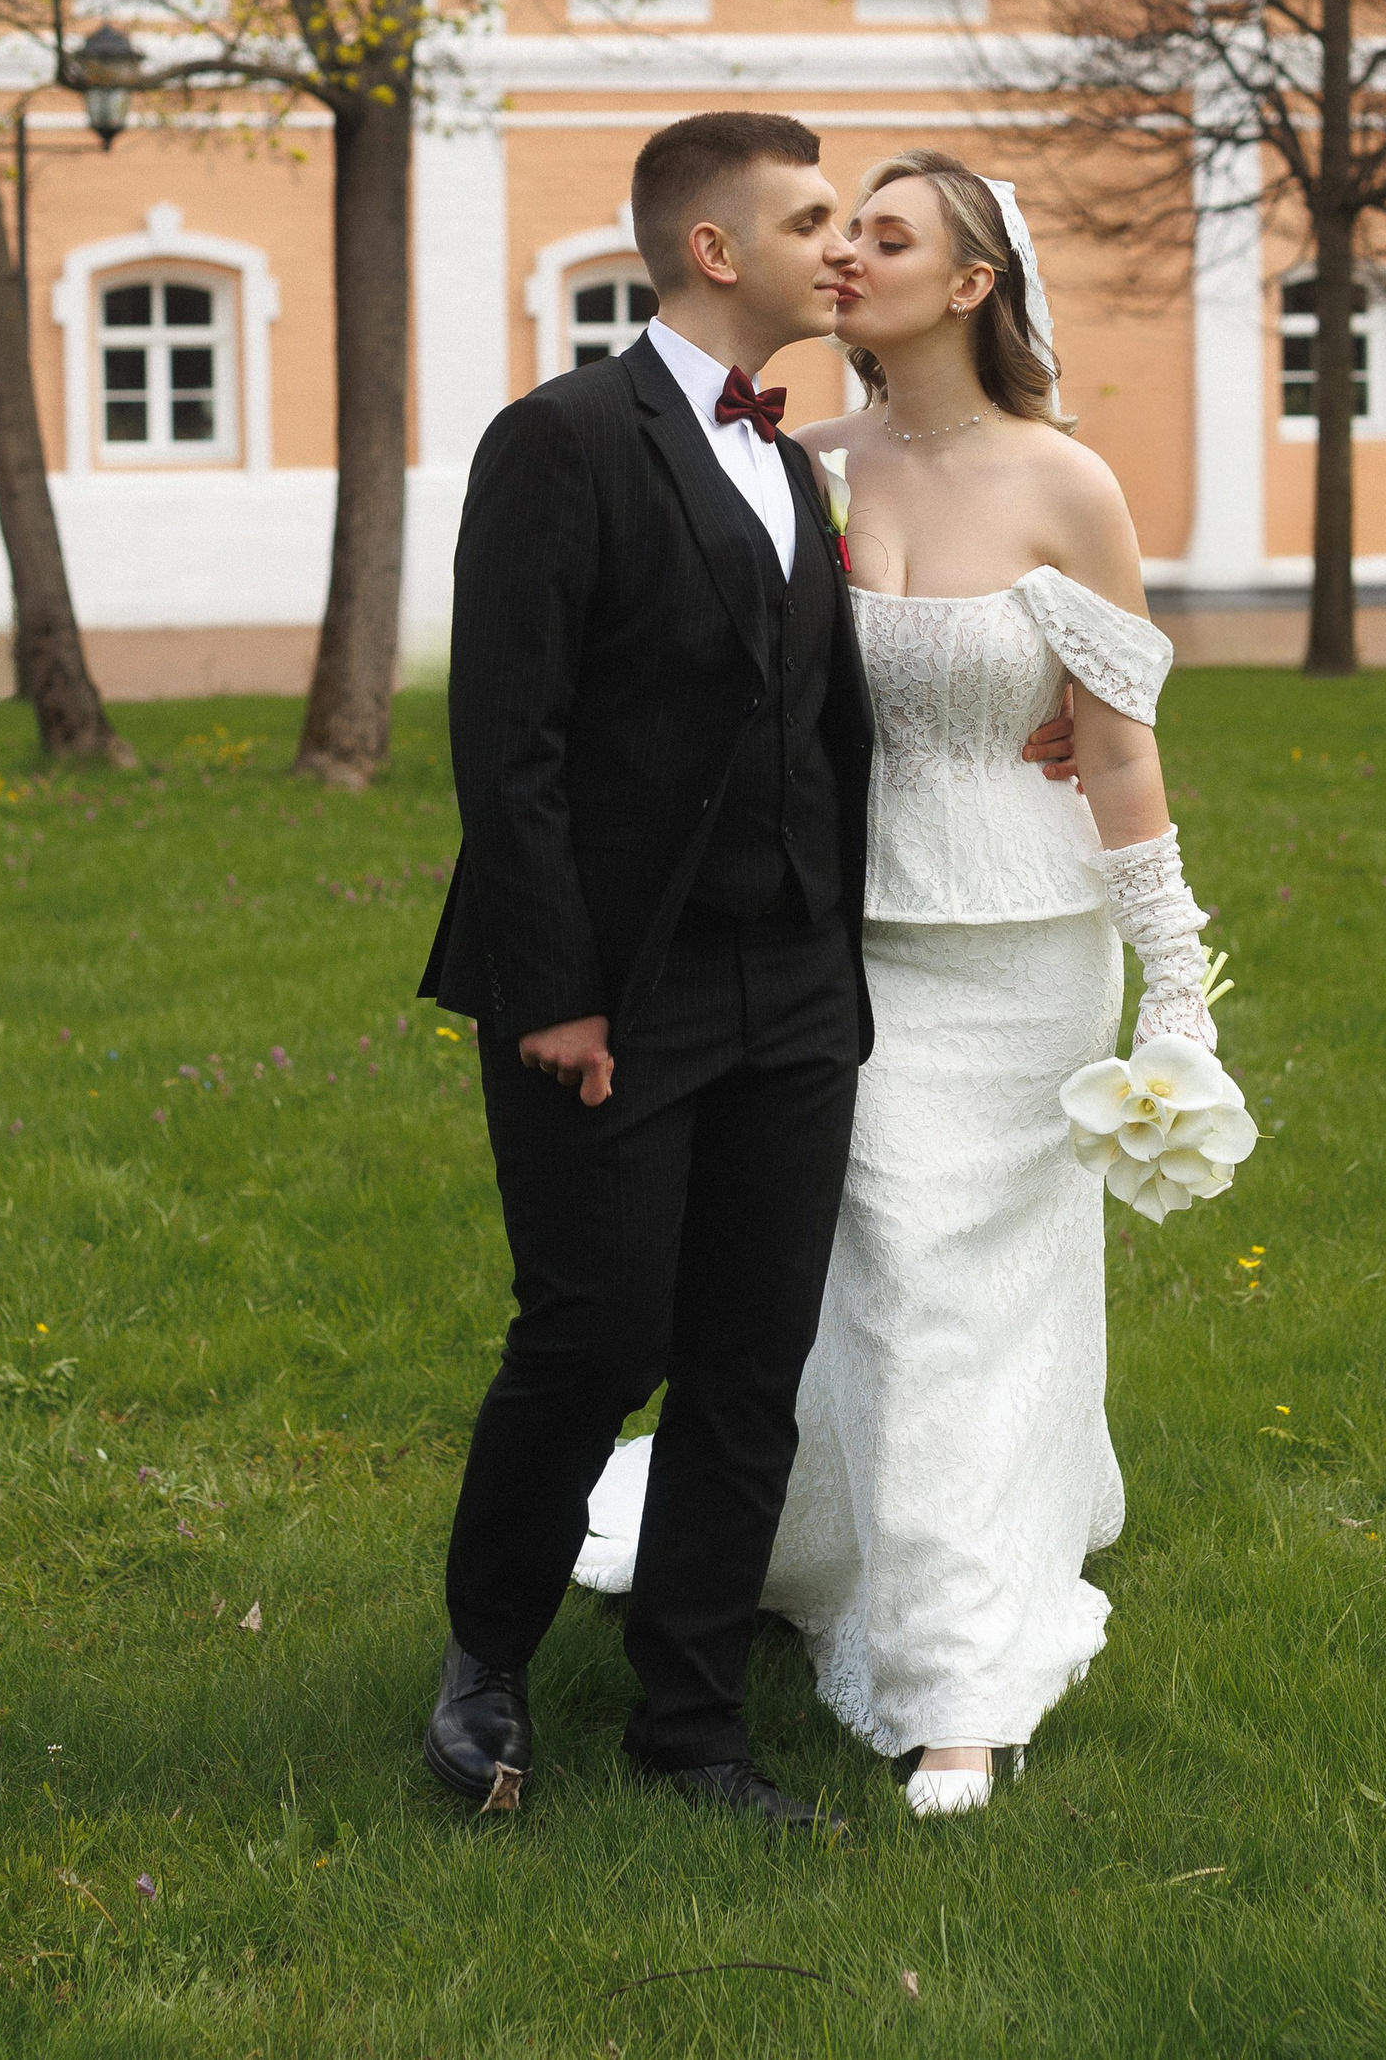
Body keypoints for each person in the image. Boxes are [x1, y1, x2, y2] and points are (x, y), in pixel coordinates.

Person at [581, 151, 1224, 1819]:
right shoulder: (801, 471)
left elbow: (1125, 753)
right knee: (877, 1295)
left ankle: (960, 1686)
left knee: (983, 1299)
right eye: (837, 229)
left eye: (888, 235)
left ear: (973, 284)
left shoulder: (1069, 484)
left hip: (1027, 954)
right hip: (842, 946)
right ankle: (884, 1578)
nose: (847, 255)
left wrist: (1179, 993)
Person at [415, 108, 877, 1835]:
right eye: (814, 216)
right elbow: (506, 739)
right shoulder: (559, 441)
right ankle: (486, 1658)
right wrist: (554, 990)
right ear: (713, 248)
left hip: (795, 993)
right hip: (610, 988)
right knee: (598, 1331)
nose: (844, 244)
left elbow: (820, 721)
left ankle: (693, 1727)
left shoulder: (800, 464)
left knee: (752, 1358)